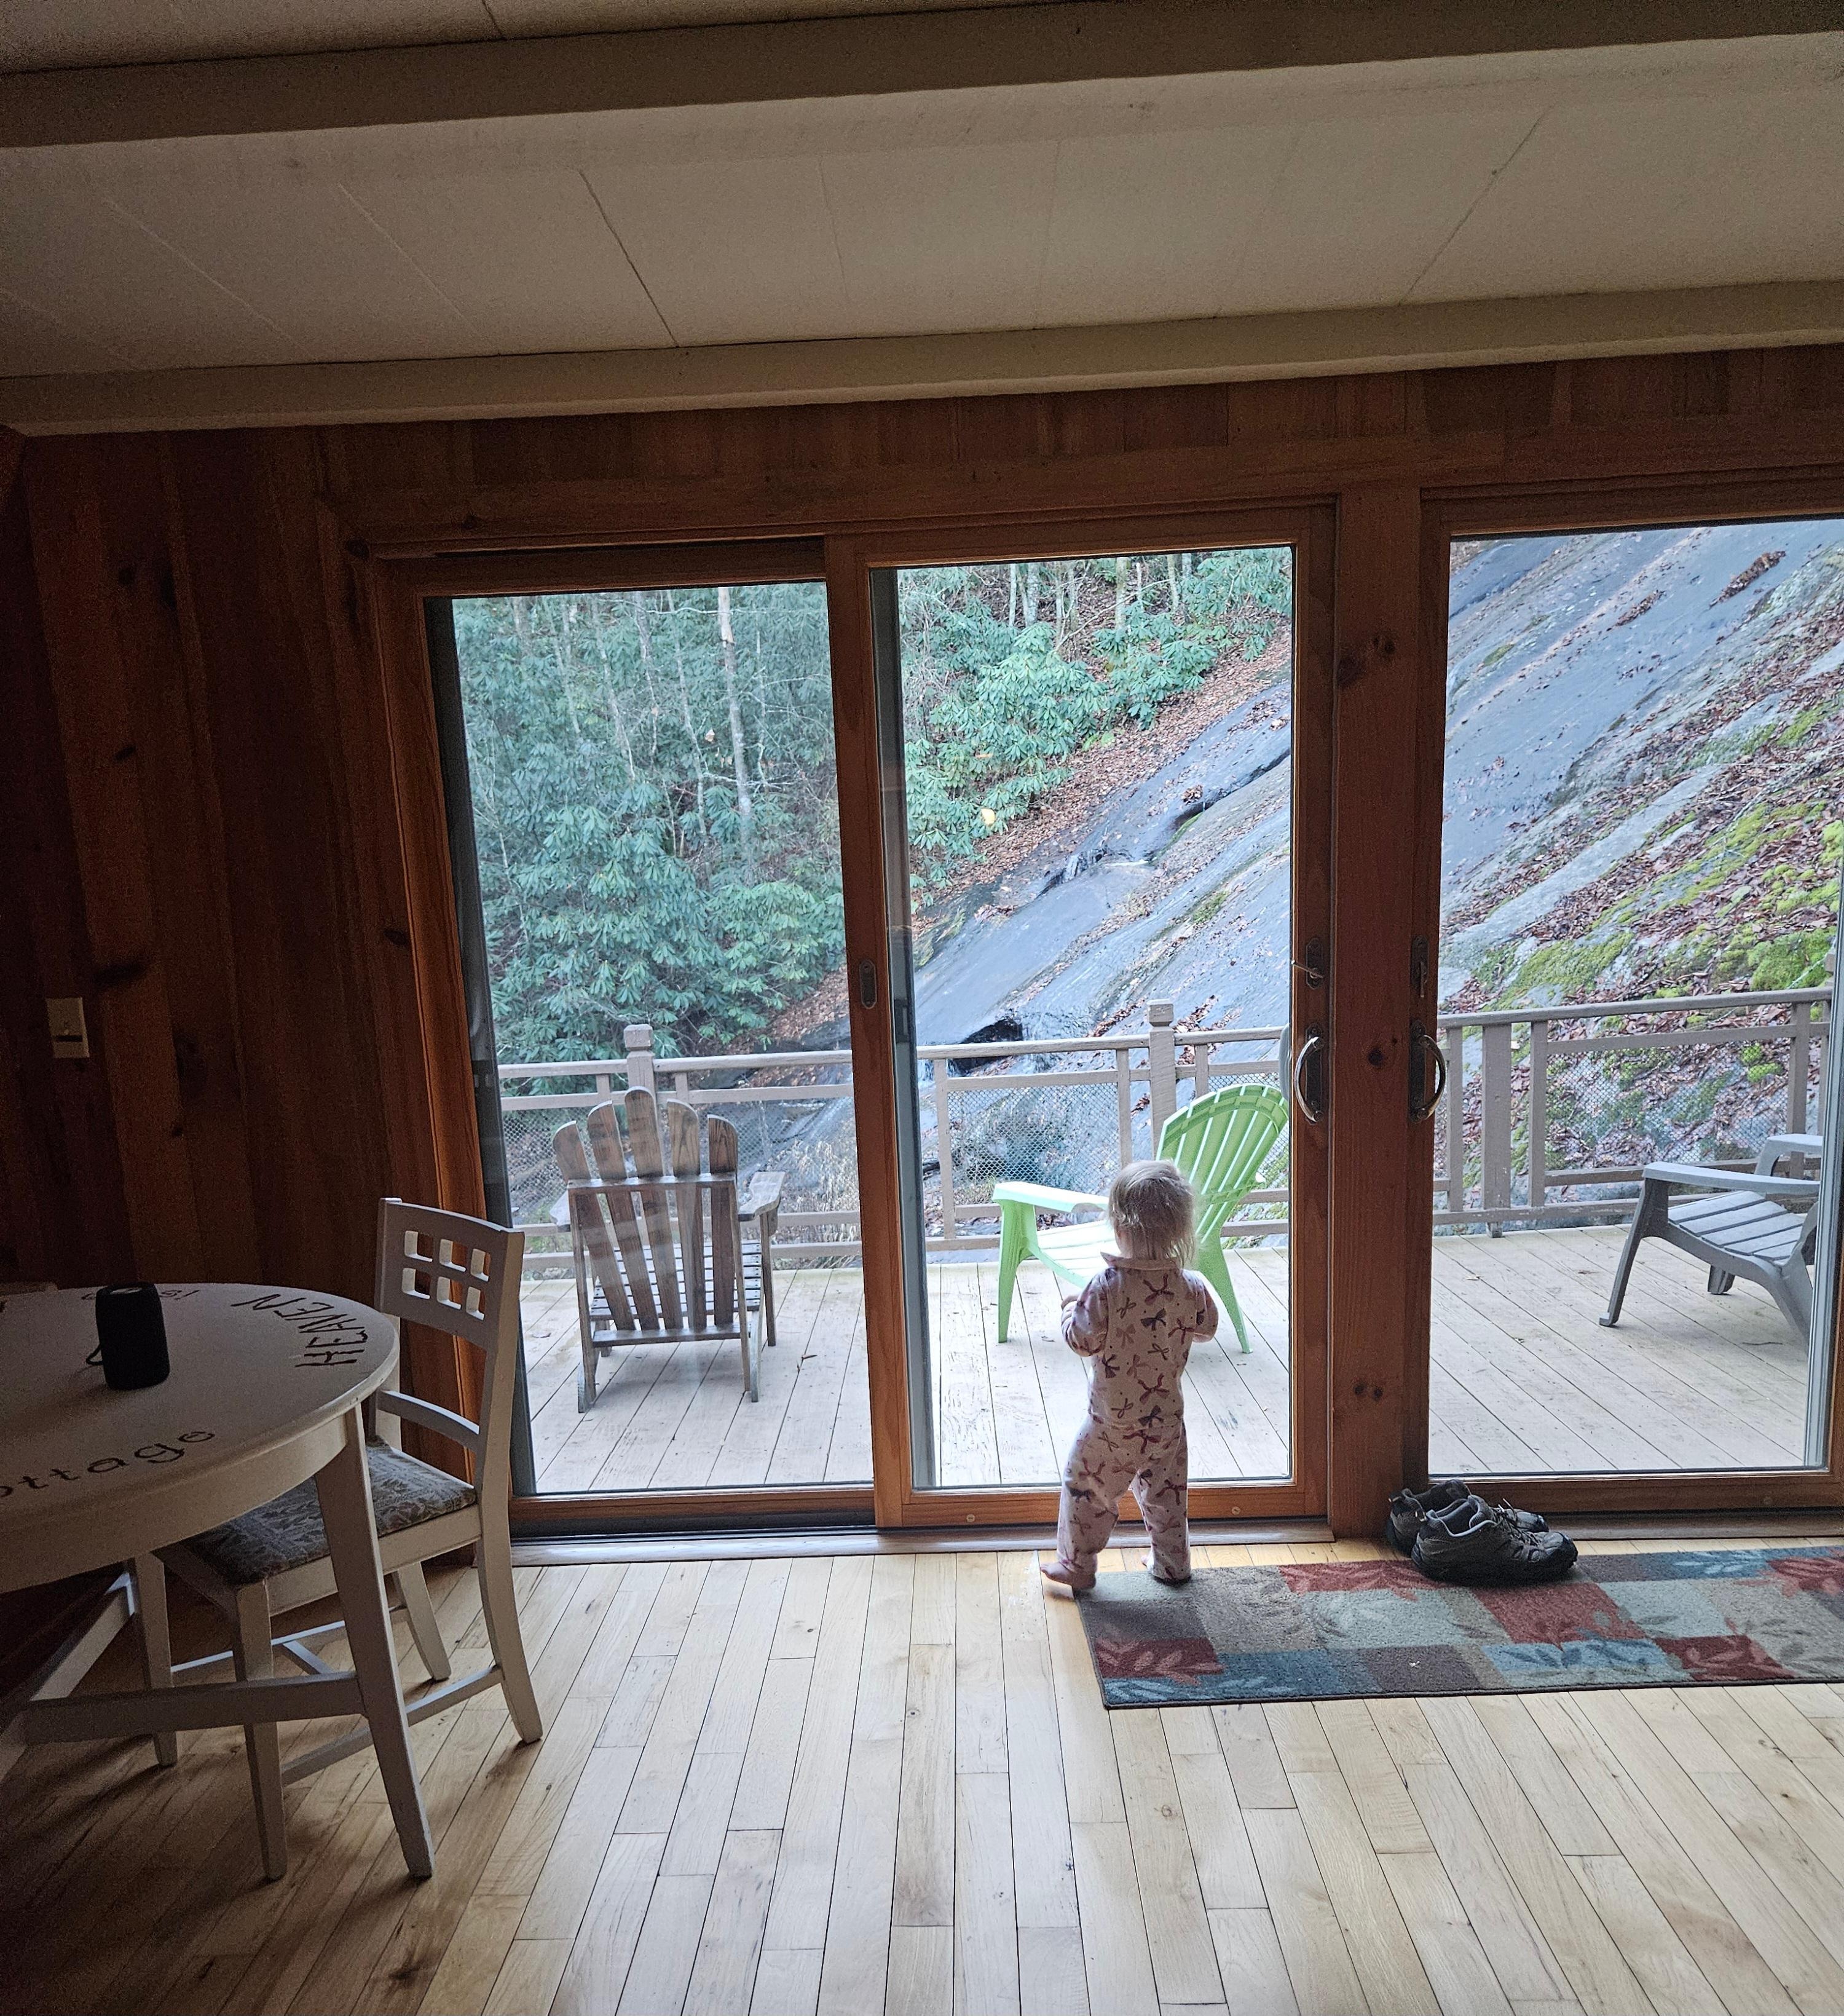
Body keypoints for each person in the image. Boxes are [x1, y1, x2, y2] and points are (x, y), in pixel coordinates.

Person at [1040, 1159, 1217, 1593]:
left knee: (1085, 1486)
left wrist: (1071, 1310)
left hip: (1112, 1424)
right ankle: (1172, 1564)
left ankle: (1077, 1565)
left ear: (1119, 1227)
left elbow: (1082, 1340)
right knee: (1167, 1496)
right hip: (1167, 1422)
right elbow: (1207, 1327)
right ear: (1180, 1229)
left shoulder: (1105, 1286)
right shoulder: (1190, 1286)